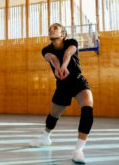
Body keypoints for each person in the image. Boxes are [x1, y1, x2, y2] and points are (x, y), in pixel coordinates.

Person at [29, 23, 93, 164]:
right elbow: (52, 57)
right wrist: (58, 68)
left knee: (88, 107)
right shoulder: (45, 49)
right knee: (54, 114)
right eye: (50, 28)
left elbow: (68, 52)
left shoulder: (71, 42)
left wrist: (65, 65)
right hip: (62, 85)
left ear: (63, 34)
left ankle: (78, 150)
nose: (51, 29)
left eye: (55, 28)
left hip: (77, 81)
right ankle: (45, 138)